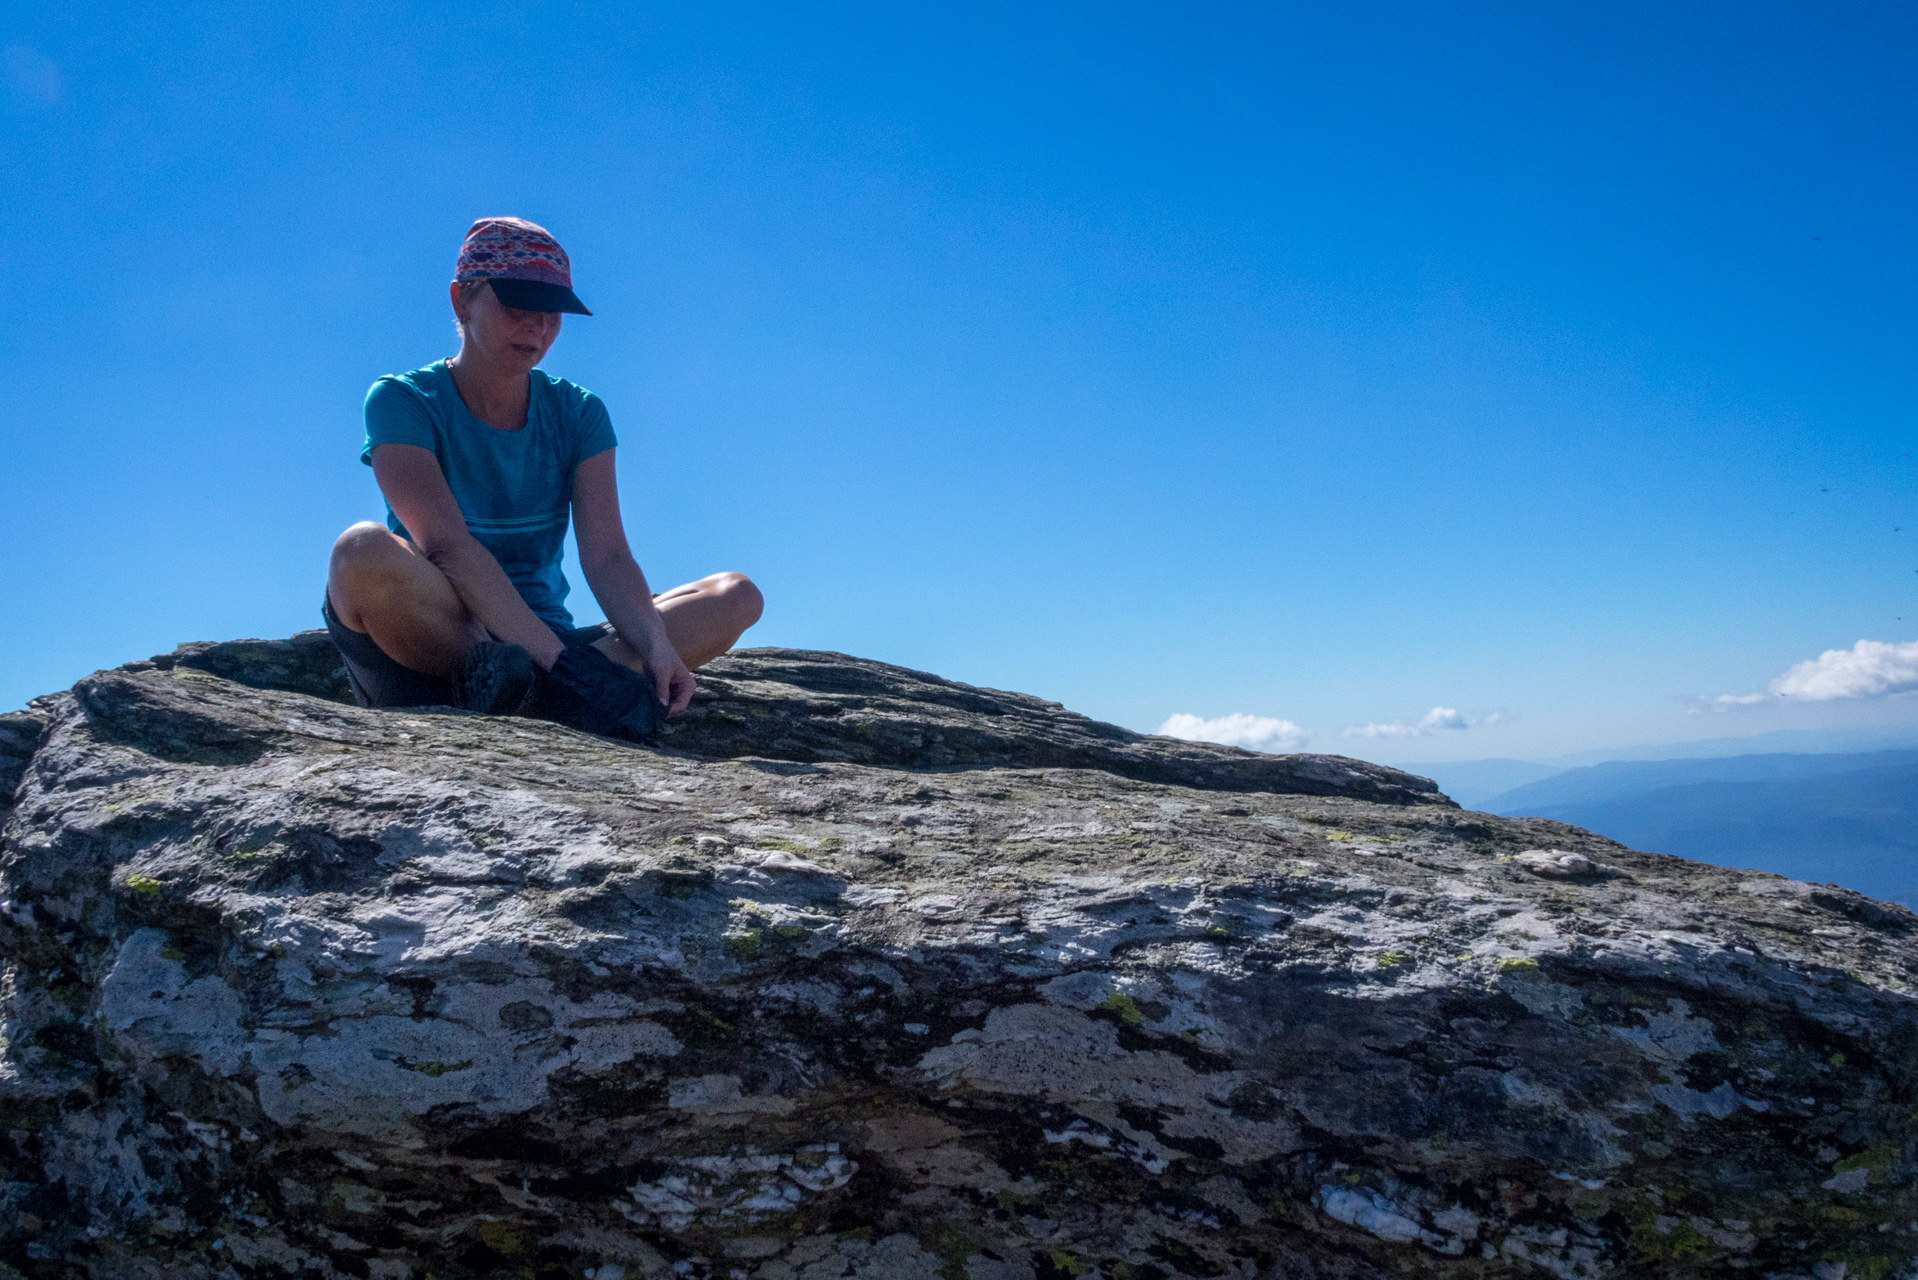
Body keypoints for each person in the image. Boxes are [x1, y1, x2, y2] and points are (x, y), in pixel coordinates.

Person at [323, 217, 762, 735]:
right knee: (359, 552)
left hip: (549, 645)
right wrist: (572, 670)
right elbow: (446, 546)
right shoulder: (404, 400)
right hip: (444, 634)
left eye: (551, 311)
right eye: (516, 305)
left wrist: (656, 646)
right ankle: (530, 685)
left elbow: (609, 556)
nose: (537, 325)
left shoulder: (579, 413)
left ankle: (529, 690)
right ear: (461, 299)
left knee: (736, 595)